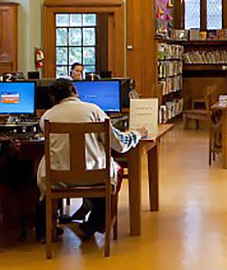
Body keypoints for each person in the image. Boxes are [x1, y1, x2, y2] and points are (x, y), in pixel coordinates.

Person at [35, 79, 146, 242]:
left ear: (53, 98)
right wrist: (137, 134)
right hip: (94, 177)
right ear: (75, 90)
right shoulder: (93, 110)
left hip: (58, 179)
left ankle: (44, 229)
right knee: (115, 171)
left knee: (42, 176)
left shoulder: (47, 116)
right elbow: (119, 144)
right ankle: (94, 224)